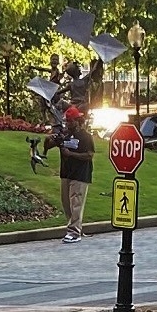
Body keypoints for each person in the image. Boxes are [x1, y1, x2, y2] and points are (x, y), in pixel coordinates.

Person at [45, 59, 99, 241]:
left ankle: (74, 232)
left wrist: (71, 154)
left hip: (80, 175)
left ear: (78, 121)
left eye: (70, 121)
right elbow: (50, 146)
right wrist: (49, 140)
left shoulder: (85, 136)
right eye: (67, 121)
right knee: (67, 204)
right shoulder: (64, 134)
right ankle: (74, 227)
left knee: (76, 202)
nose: (68, 124)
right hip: (66, 174)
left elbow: (90, 155)